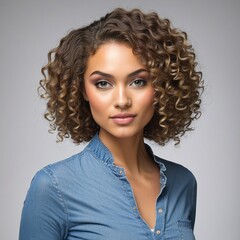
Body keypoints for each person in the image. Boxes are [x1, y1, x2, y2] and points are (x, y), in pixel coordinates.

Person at [19, 8, 203, 240]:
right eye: (103, 83)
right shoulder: (53, 187)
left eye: (138, 81)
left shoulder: (183, 182)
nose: (122, 101)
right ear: (82, 89)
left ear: (161, 86)